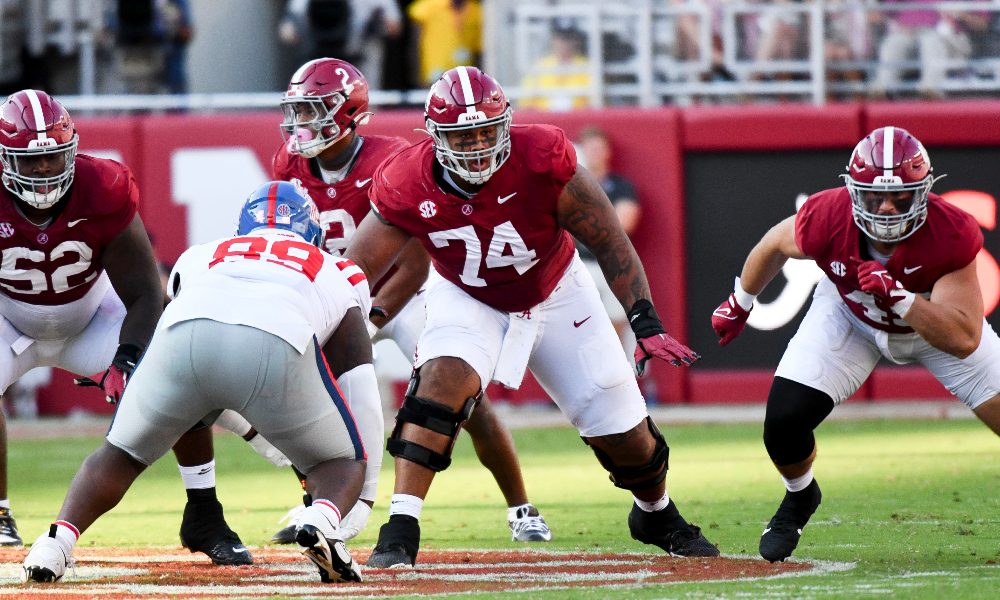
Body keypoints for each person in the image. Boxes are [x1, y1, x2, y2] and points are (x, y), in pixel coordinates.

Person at [345, 66, 718, 568]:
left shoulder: (542, 156)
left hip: (556, 287)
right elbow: (356, 268)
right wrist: (318, 325)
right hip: (466, 291)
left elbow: (608, 238)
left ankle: (655, 512)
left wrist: (645, 321)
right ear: (435, 137)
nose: (477, 144)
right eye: (463, 134)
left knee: (628, 435)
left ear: (506, 124)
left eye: (486, 130)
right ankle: (401, 525)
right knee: (438, 384)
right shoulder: (405, 179)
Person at [258, 57, 552, 544]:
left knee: (463, 400)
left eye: (315, 110)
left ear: (349, 111)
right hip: (341, 295)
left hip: (411, 292)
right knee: (308, 398)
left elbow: (416, 260)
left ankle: (521, 506)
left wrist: (370, 316)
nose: (303, 124)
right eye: (299, 111)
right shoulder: (288, 164)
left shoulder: (392, 159)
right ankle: (322, 503)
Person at [22, 181, 376, 584]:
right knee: (343, 462)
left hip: (181, 336)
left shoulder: (203, 252)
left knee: (120, 453)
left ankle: (55, 543)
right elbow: (352, 368)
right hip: (274, 342)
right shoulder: (338, 267)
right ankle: (321, 520)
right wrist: (359, 490)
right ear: (314, 232)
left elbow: (184, 315)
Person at [711, 126, 1000, 562]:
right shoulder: (829, 215)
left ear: (923, 192)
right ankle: (800, 497)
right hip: (851, 314)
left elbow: (963, 338)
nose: (885, 207)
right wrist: (741, 301)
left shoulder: (952, 231)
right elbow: (774, 243)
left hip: (930, 327)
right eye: (873, 196)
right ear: (853, 191)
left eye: (900, 196)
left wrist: (901, 297)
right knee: (783, 422)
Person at [0, 90, 164, 548]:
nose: (43, 170)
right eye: (29, 161)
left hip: (92, 318)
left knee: (176, 374)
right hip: (9, 319)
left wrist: (127, 359)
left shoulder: (102, 185)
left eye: (53, 157)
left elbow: (148, 294)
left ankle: (205, 511)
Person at [575, 126, 641, 351]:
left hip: (611, 263)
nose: (594, 153)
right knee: (577, 324)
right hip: (577, 265)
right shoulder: (569, 186)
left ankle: (618, 374)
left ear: (608, 152)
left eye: (598, 147)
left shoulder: (621, 186)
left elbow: (625, 223)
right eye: (589, 148)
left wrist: (581, 220)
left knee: (616, 323)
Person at [520, 23, 591, 112]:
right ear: (553, 40)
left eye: (568, 39)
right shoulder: (539, 67)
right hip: (545, 118)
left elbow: (594, 103)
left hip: (576, 119)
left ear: (575, 41)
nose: (564, 43)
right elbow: (526, 103)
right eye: (560, 39)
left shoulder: (587, 67)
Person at [407, 0, 481, 86]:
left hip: (465, 77)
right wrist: (416, 75)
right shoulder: (428, 6)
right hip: (433, 74)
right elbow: (414, 44)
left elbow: (478, 51)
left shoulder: (476, 11)